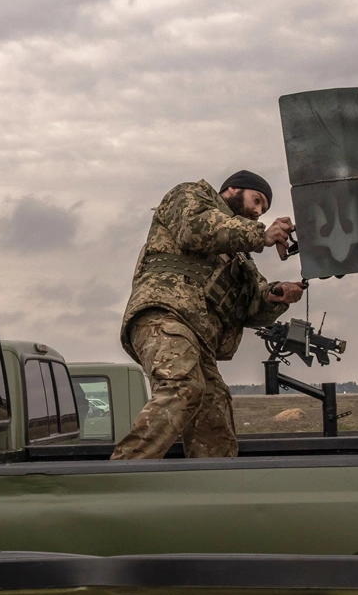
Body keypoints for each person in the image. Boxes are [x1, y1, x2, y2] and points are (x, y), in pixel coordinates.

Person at [110, 170, 303, 460]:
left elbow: (252, 304)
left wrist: (277, 295)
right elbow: (195, 228)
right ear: (232, 190)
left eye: (263, 208)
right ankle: (119, 476)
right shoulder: (189, 195)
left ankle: (214, 491)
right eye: (257, 200)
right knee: (183, 386)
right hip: (164, 316)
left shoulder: (239, 256)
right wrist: (260, 234)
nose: (258, 211)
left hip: (200, 339)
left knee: (214, 407)